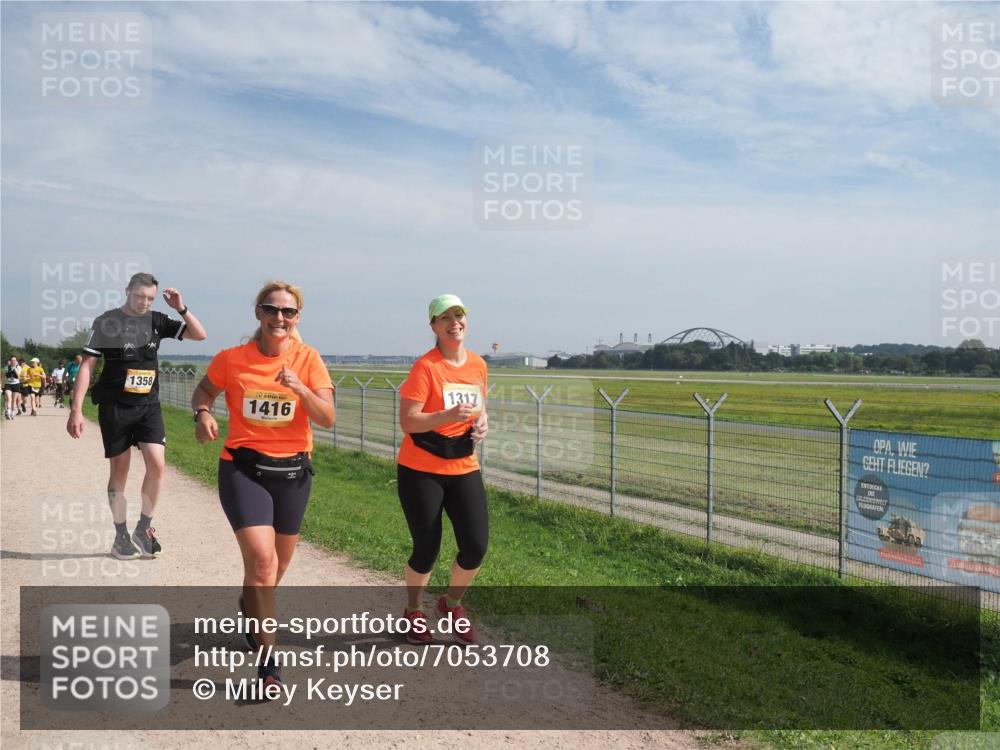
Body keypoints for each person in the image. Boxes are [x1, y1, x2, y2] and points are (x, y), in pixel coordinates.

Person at [190, 280, 334, 690]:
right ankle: (270, 662)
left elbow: (326, 418)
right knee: (262, 561)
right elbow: (205, 388)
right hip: (244, 469)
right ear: (258, 313)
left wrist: (301, 388)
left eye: (288, 312)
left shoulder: (309, 360)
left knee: (275, 568)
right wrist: (203, 413)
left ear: (297, 318)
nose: (279, 318)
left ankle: (250, 604)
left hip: (293, 474)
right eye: (272, 309)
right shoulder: (232, 359)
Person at [66, 272, 207, 560]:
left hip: (148, 406)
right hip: (115, 406)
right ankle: (120, 536)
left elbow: (199, 334)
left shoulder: (157, 320)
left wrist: (180, 307)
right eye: (140, 296)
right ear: (127, 291)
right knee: (120, 472)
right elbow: (87, 366)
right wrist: (76, 409)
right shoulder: (106, 322)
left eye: (150, 298)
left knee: (157, 465)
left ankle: (144, 529)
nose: (145, 302)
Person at [396, 294, 489, 646]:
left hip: (464, 465)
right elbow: (409, 420)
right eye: (445, 317)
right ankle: (414, 611)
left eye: (459, 315)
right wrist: (446, 416)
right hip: (421, 469)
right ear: (433, 326)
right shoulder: (426, 367)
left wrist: (483, 426)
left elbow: (481, 409)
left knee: (476, 546)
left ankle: (451, 605)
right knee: (426, 547)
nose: (455, 322)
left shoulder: (478, 365)